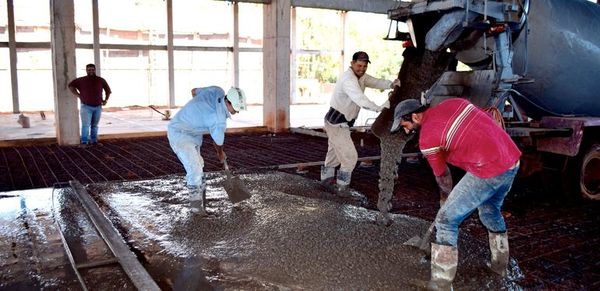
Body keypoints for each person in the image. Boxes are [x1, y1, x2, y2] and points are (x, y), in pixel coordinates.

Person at [391, 98, 521, 290]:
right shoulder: (454, 103)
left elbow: (443, 176)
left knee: (446, 219)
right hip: (511, 161)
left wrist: (445, 199)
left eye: (406, 125)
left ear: (415, 115)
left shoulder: (427, 138)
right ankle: (500, 267)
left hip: (488, 169)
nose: (407, 130)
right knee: (490, 211)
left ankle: (441, 284)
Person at [321, 51, 400, 193]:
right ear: (352, 63)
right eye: (359, 65)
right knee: (350, 157)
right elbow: (360, 99)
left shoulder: (361, 76)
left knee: (333, 154)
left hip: (336, 122)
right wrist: (378, 108)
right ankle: (341, 188)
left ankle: (325, 182)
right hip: (337, 123)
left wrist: (391, 84)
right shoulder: (348, 80)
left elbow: (374, 81)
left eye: (364, 66)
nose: (362, 69)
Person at [167, 86, 246, 216]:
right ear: (228, 102)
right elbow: (218, 143)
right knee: (195, 169)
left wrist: (197, 112)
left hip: (194, 133)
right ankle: (197, 210)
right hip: (179, 133)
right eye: (236, 108)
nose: (237, 112)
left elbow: (194, 91)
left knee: (200, 166)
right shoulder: (218, 120)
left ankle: (202, 202)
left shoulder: (217, 91)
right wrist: (220, 153)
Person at [68, 64, 112, 146]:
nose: (91, 71)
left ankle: (94, 141)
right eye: (89, 70)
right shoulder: (81, 80)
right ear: (86, 70)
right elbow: (71, 85)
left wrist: (106, 100)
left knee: (94, 125)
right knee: (85, 125)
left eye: (92, 69)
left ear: (95, 70)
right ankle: (84, 142)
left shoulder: (100, 80)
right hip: (86, 107)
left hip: (98, 107)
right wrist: (78, 95)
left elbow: (108, 91)